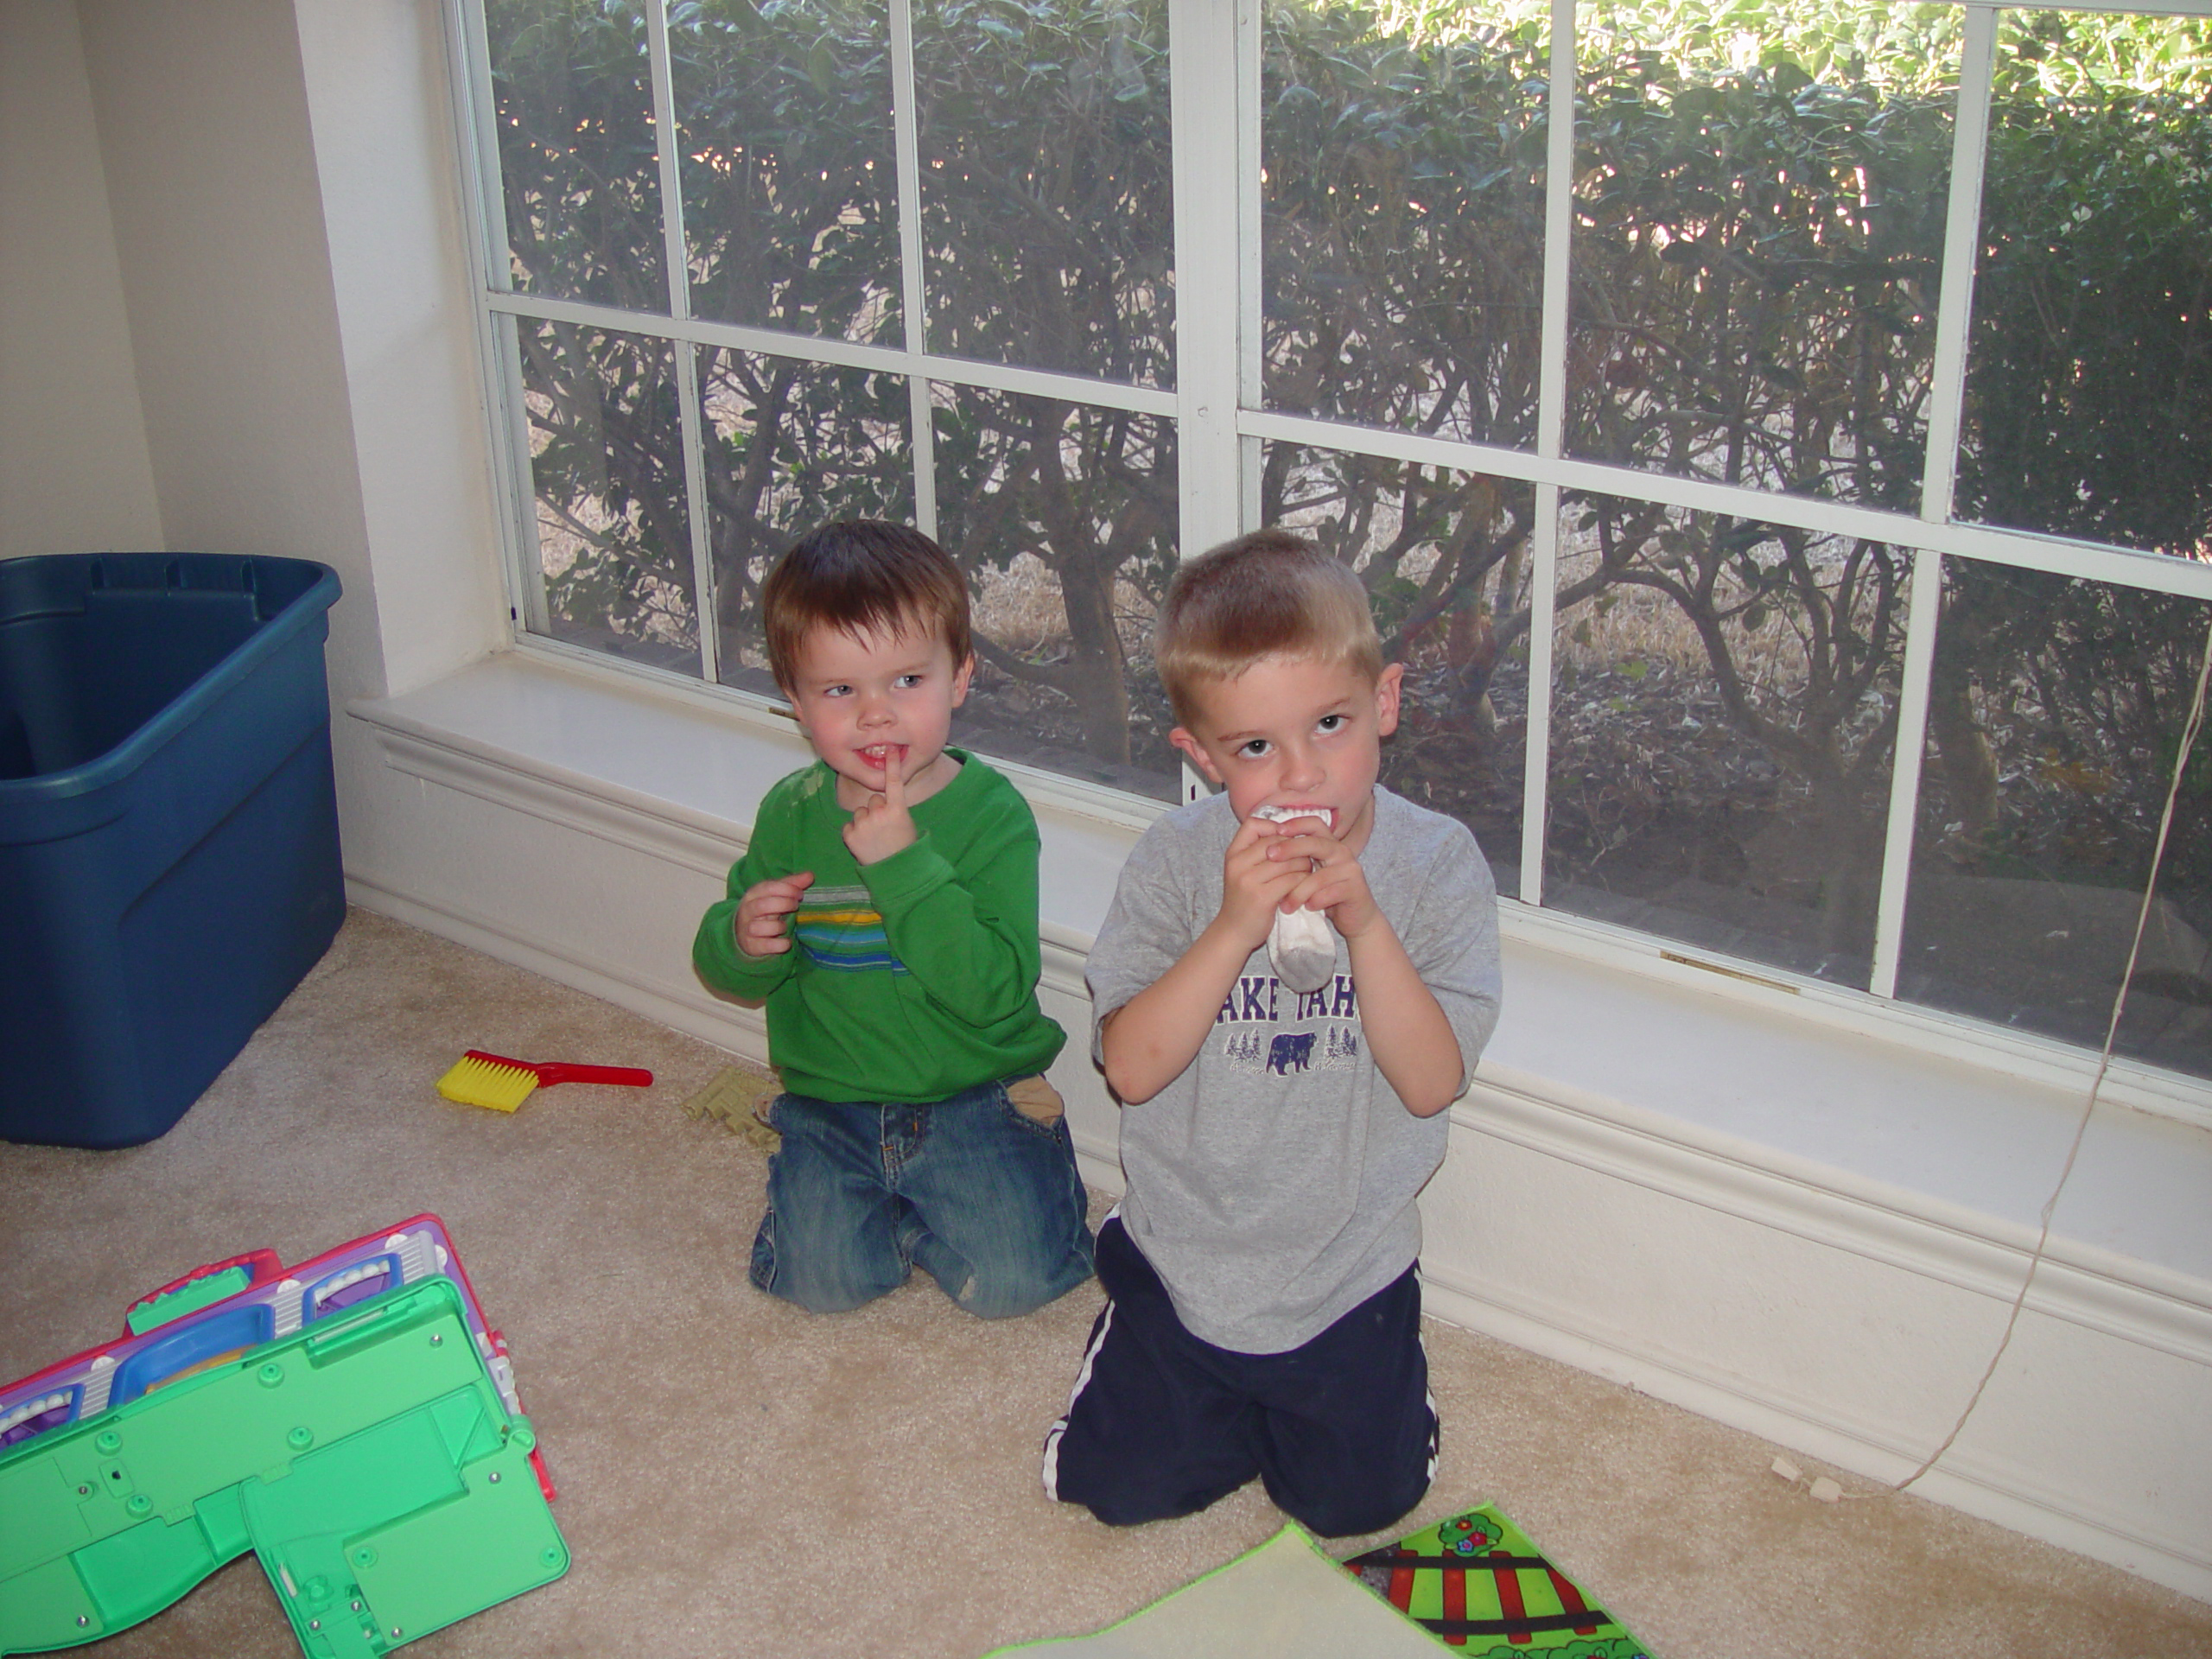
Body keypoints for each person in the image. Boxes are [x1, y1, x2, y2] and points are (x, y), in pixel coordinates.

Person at [1043, 527, 1501, 1537]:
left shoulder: (1438, 867)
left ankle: (1322, 1405)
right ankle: (1184, 1383)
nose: (1300, 777)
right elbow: (1128, 1068)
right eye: (1255, 748)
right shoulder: (1173, 863)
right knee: (1110, 1492)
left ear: (1384, 701)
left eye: (1330, 723)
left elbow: (1430, 1085)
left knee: (1360, 1505)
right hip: (1185, 1254)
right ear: (1203, 757)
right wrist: (1233, 925)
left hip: (1346, 1267)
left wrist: (1365, 923)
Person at [693, 520, 1093, 1319]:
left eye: (907, 681)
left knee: (1020, 1284)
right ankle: (889, 1209)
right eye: (841, 691)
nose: (877, 716)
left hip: (973, 1093)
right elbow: (735, 964)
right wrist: (742, 938)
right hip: (834, 1100)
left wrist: (904, 866)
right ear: (797, 705)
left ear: (961, 678)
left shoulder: (991, 815)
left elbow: (995, 991)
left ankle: (933, 1209)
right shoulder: (791, 813)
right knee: (818, 1283)